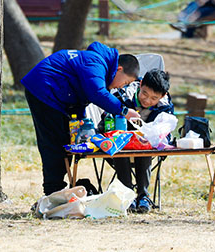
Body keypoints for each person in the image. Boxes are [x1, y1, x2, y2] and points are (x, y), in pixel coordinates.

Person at [21, 41, 141, 195]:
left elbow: (80, 95)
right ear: (119, 69)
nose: (122, 87)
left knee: (67, 140)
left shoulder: (98, 63)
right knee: (54, 141)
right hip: (44, 89)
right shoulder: (95, 62)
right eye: (125, 82)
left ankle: (57, 189)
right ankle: (53, 192)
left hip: (57, 94)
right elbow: (97, 93)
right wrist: (124, 111)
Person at [103, 68, 174, 213]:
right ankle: (127, 194)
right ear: (140, 85)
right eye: (144, 94)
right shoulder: (122, 96)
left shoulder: (165, 107)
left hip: (146, 148)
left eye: (154, 98)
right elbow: (105, 121)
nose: (147, 100)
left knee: (145, 146)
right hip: (119, 145)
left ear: (163, 96)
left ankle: (143, 196)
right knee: (121, 146)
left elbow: (166, 132)